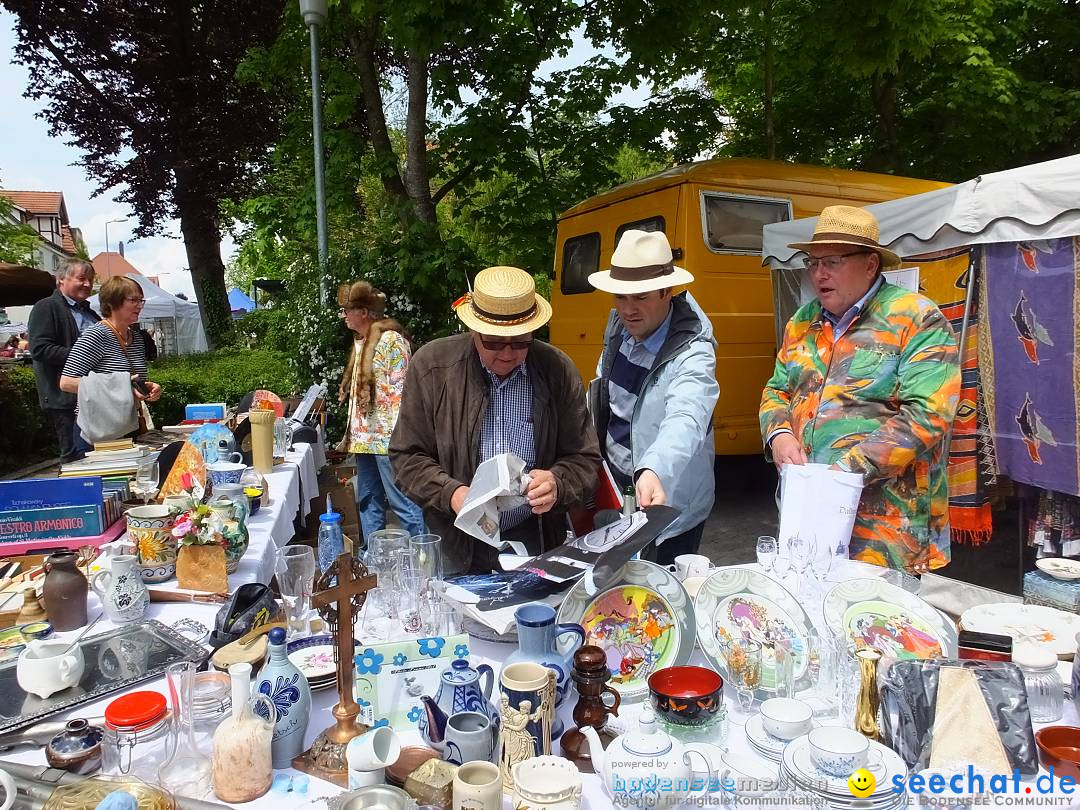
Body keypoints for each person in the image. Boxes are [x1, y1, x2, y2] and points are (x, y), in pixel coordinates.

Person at [759, 205, 960, 575]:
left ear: (870, 265)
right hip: (808, 515)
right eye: (812, 262)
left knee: (879, 625)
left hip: (887, 527)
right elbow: (777, 390)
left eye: (832, 261)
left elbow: (929, 414)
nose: (819, 273)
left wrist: (845, 471)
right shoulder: (802, 322)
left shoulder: (915, 317)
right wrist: (780, 434)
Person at [390, 266, 601, 574]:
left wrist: (558, 482)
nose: (507, 354)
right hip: (454, 539)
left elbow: (584, 458)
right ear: (473, 331)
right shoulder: (432, 366)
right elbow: (406, 456)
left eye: (520, 343)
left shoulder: (557, 369)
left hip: (535, 536)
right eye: (494, 342)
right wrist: (452, 494)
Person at [586, 229, 719, 565]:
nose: (628, 310)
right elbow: (605, 389)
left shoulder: (694, 351)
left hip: (667, 504)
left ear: (667, 291)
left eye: (641, 297)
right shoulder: (617, 322)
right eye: (620, 297)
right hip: (615, 491)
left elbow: (687, 418)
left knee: (660, 604)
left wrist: (654, 470)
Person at [337, 280, 426, 540]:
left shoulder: (391, 341)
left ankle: (423, 556)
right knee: (368, 500)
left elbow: (405, 392)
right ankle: (372, 561)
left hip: (388, 439)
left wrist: (402, 439)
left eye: (347, 309)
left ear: (363, 312)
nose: (344, 315)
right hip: (365, 439)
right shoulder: (362, 343)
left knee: (403, 502)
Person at [60, 276, 162, 443]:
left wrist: (148, 387)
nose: (139, 305)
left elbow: (133, 381)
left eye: (141, 300)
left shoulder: (136, 339)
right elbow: (66, 382)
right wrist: (122, 385)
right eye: (133, 300)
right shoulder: (95, 335)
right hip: (98, 429)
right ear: (112, 303)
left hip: (128, 426)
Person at [28, 258, 101, 462]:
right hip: (65, 397)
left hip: (91, 395)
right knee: (76, 458)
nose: (87, 284)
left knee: (94, 456)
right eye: (81, 279)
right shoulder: (46, 307)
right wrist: (82, 356)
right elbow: (40, 349)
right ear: (61, 279)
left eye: (90, 279)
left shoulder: (88, 311)